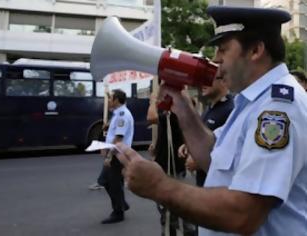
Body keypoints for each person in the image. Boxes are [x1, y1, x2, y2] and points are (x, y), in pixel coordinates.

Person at [114, 6, 307, 235]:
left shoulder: (277, 107)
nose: (216, 59)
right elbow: (215, 158)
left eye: (223, 49)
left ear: (256, 50)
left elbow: (244, 214)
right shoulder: (252, 101)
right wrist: (183, 108)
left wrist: (159, 185)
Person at [147, 93, 192, 236]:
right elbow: (162, 130)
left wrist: (153, 101)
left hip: (175, 165)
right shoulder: (164, 108)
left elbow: (151, 118)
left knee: (181, 209)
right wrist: (156, 145)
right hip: (162, 164)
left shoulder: (176, 108)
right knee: (165, 211)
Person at [179, 73, 234, 187]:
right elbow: (206, 135)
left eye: (209, 79)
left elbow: (231, 151)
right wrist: (189, 146)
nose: (203, 84)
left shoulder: (231, 110)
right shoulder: (209, 108)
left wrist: (200, 160)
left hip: (219, 189)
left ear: (223, 81)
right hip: (204, 183)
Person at [97, 89, 134, 224]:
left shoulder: (122, 115)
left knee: (111, 182)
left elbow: (118, 138)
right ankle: (122, 204)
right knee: (108, 181)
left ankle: (118, 212)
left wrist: (109, 156)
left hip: (118, 154)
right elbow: (114, 133)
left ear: (117, 100)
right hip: (114, 152)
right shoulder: (117, 113)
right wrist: (107, 128)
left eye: (111, 98)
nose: (109, 100)